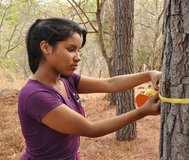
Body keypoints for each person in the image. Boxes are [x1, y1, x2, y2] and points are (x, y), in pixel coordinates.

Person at [18, 18, 161, 160]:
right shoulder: (36, 95)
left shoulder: (66, 79)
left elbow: (110, 84)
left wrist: (149, 74)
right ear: (46, 47)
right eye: (71, 49)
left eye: (79, 51)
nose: (78, 57)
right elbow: (91, 129)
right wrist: (142, 111)